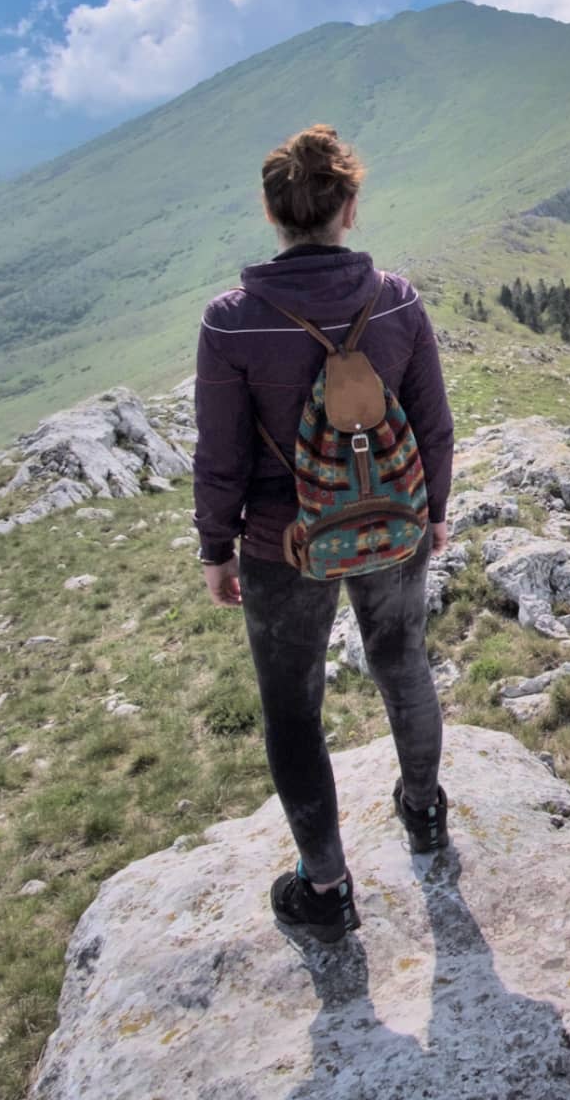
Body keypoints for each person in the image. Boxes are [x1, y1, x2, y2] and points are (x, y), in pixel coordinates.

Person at [192, 124, 456, 943]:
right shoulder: (398, 300)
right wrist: (433, 512)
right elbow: (435, 425)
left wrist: (216, 547)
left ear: (273, 214)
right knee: (402, 659)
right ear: (349, 208)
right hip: (390, 523)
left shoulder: (232, 322)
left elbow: (221, 453)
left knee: (293, 710)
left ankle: (327, 888)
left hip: (282, 543)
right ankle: (423, 814)